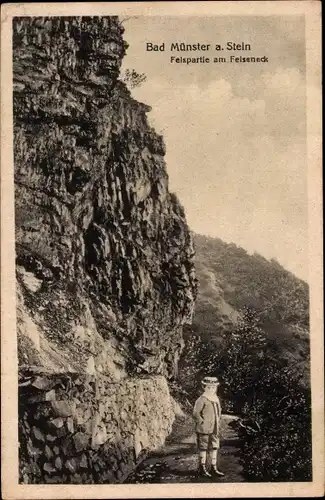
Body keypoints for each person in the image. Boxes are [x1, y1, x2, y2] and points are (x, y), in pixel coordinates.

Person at [193, 376, 224, 478]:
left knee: (215, 447)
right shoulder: (202, 399)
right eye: (209, 387)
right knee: (204, 447)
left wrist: (218, 421)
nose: (211, 389)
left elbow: (218, 412)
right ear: (204, 387)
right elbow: (196, 413)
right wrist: (202, 422)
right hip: (204, 429)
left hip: (214, 428)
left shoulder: (216, 399)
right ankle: (202, 468)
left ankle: (213, 468)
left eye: (213, 387)